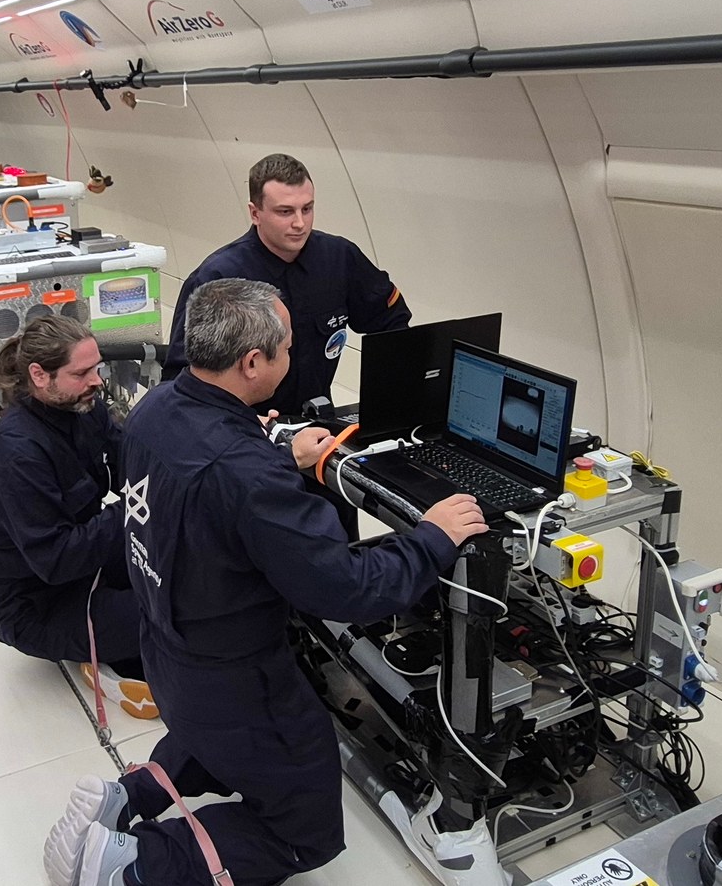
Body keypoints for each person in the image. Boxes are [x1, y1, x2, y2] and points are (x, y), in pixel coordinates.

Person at [45, 279, 486, 886]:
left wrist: (272, 451)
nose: (294, 353)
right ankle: (134, 866)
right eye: (286, 346)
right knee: (303, 831)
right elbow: (347, 589)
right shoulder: (245, 471)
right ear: (254, 362)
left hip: (169, 651)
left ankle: (125, 799)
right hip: (235, 676)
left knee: (212, 741)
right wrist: (433, 537)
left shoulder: (157, 408)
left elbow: (201, 490)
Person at [0, 317, 153, 719]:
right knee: (174, 611)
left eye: (97, 368)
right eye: (82, 373)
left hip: (88, 564)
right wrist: (137, 503)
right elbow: (57, 559)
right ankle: (109, 663)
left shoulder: (85, 409)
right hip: (39, 603)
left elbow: (130, 460)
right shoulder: (15, 455)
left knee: (192, 571)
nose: (97, 380)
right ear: (39, 375)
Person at [166, 154, 411, 420]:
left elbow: (393, 327)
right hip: (246, 432)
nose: (299, 223)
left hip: (318, 424)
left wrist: (388, 404)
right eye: (285, 212)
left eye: (307, 209)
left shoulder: (339, 259)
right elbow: (182, 381)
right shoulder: (217, 278)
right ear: (255, 213)